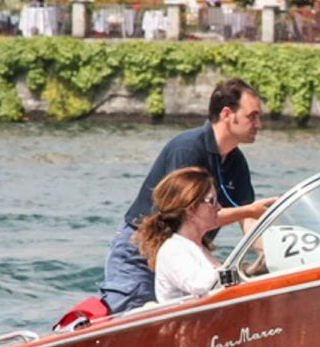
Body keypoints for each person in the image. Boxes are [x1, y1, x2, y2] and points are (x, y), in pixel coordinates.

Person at [99, 78, 276, 314]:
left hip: (187, 250)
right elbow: (184, 214)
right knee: (130, 325)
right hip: (141, 250)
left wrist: (266, 254)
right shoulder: (188, 149)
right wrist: (248, 211)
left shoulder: (236, 160)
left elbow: (247, 216)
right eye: (252, 116)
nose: (259, 124)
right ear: (227, 114)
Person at [133, 167, 222, 302]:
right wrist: (236, 272)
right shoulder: (173, 250)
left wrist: (250, 271)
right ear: (191, 209)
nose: (219, 206)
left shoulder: (197, 247)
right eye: (212, 201)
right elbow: (201, 285)